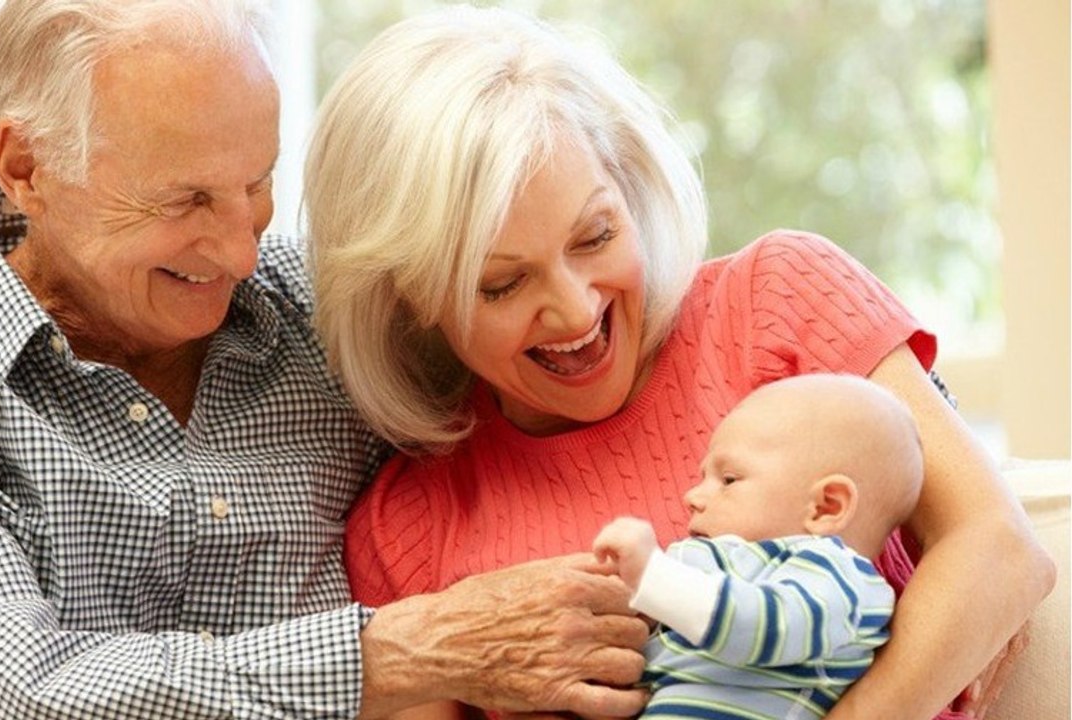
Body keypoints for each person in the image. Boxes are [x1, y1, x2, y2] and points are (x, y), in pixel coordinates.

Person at [0, 2, 655, 718]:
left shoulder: (318, 318)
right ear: (28, 167)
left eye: (256, 184)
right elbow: (20, 697)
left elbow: (553, 360)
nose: (243, 251)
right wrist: (406, 651)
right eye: (189, 200)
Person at [303, 5, 1055, 720]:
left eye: (595, 236)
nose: (573, 309)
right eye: (503, 283)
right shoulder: (405, 526)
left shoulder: (777, 303)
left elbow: (1001, 551)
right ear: (411, 299)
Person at [592, 373, 925, 719]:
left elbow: (767, 626)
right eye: (702, 477)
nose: (692, 497)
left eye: (728, 479)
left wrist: (655, 578)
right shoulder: (719, 563)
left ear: (827, 506)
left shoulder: (840, 577)